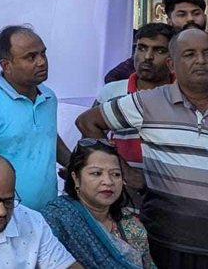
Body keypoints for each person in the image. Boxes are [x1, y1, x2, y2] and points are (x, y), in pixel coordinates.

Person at [76, 27, 208, 267]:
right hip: (166, 240)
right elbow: (87, 122)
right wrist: (123, 170)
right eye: (189, 54)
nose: (201, 60)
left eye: (206, 53)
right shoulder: (149, 102)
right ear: (172, 65)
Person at [0, 25, 71, 212]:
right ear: (6, 65)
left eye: (43, 53)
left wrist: (77, 167)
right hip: (1, 215)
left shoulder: (49, 97)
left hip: (47, 214)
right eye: (31, 57)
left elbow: (48, 137)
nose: (42, 62)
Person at [94, 22, 176, 203]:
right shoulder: (111, 91)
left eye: (159, 50)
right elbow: (89, 133)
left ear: (173, 58)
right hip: (120, 198)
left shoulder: (183, 94)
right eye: (142, 48)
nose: (148, 57)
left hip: (172, 197)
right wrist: (123, 170)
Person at [42, 141, 156, 269]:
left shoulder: (132, 226)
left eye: (115, 174)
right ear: (76, 178)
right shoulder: (56, 219)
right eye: (96, 173)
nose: (108, 181)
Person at [105, 0, 205, 83]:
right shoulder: (162, 46)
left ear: (205, 17)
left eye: (196, 14)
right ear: (169, 21)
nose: (190, 19)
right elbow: (113, 78)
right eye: (182, 15)